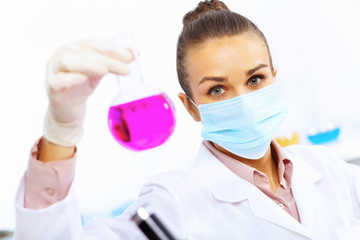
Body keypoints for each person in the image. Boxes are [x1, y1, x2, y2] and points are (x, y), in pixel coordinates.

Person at [14, 0, 360, 239]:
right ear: (191, 106)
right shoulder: (172, 203)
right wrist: (59, 134)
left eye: (255, 80)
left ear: (274, 76)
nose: (243, 101)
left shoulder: (328, 170)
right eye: (217, 90)